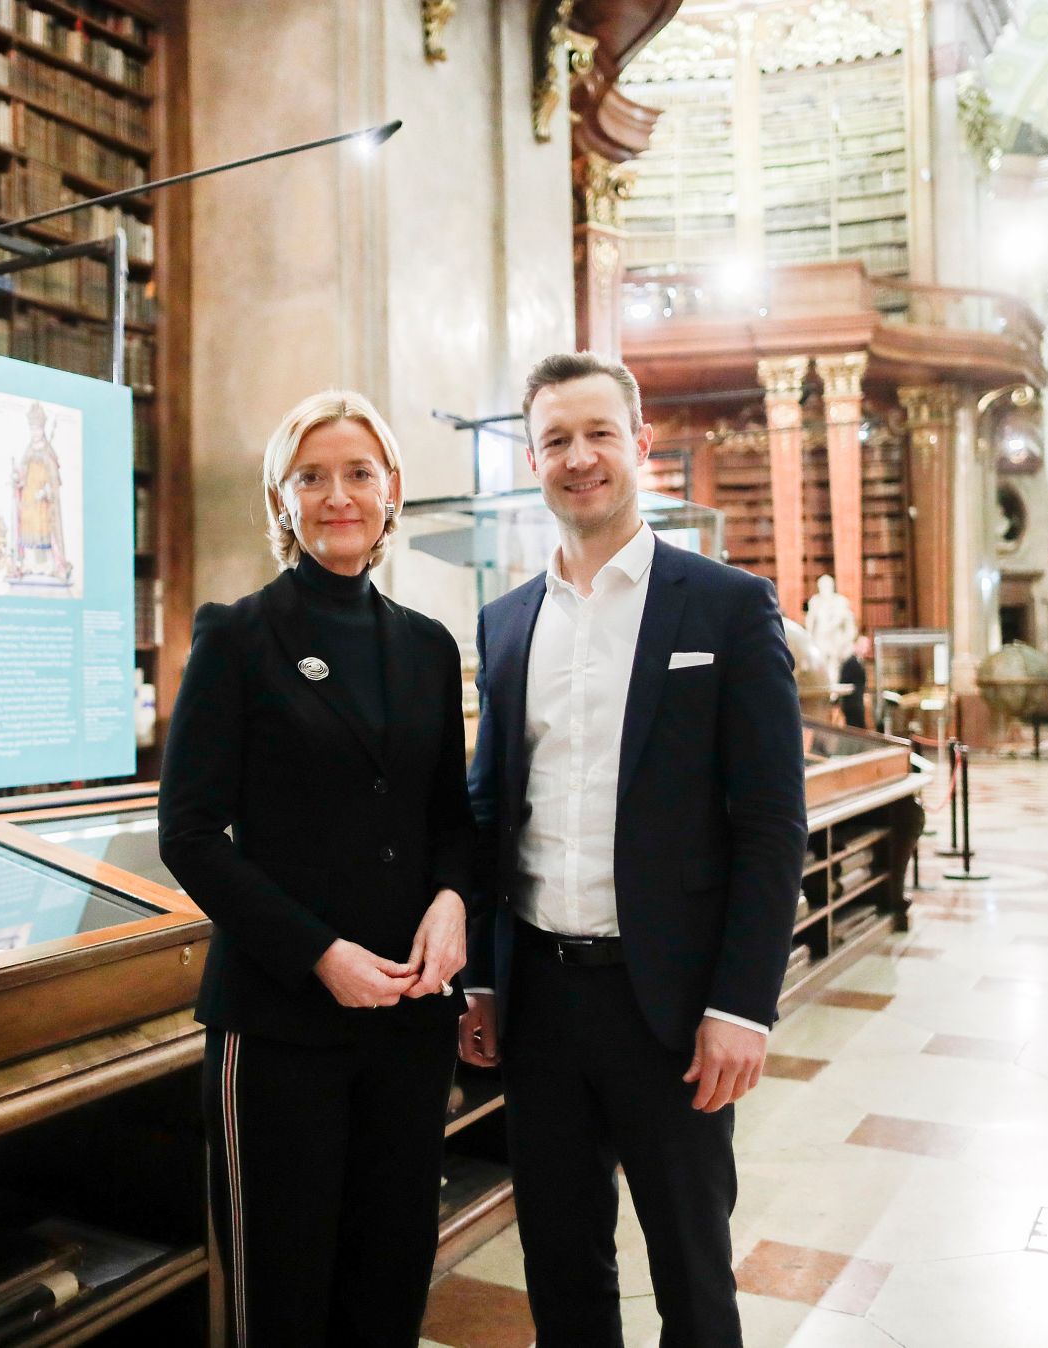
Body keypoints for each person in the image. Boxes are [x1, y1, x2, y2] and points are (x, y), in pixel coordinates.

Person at [459, 352, 806, 1348]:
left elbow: (769, 821)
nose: (578, 458)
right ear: (533, 461)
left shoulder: (725, 606)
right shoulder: (506, 622)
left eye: (597, 433)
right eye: (555, 440)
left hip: (671, 1005)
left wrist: (740, 1002)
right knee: (560, 1267)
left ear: (639, 445)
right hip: (540, 1006)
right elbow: (489, 812)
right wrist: (481, 979)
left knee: (692, 1272)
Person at [157, 390, 474, 1347]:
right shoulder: (238, 637)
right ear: (281, 498)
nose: (338, 495)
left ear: (392, 494)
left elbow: (452, 817)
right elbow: (190, 832)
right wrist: (319, 952)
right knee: (282, 1296)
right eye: (312, 476)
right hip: (283, 1020)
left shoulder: (427, 647)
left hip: (409, 1023)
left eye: (358, 473)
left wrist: (457, 899)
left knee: (389, 1280)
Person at [839, 632, 871, 729]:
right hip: (852, 705)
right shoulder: (850, 663)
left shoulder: (860, 661)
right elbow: (844, 683)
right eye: (862, 645)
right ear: (855, 645)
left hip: (858, 702)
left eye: (866, 646)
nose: (865, 648)